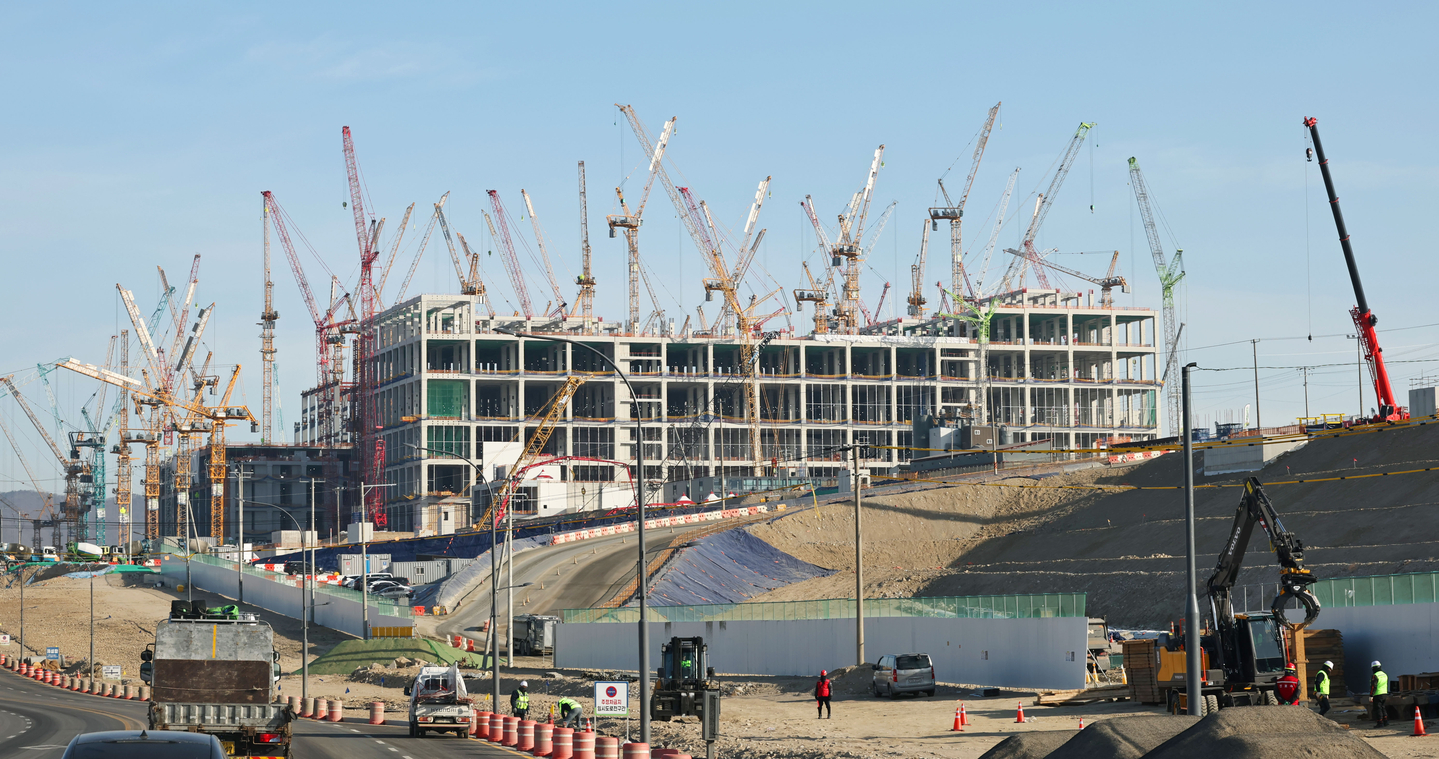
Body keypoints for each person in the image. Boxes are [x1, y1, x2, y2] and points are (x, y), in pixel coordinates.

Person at [1371, 661, 1389, 727]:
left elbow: (1373, 686)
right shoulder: (1384, 674)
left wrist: (1371, 695)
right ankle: (1386, 721)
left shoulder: (1375, 675)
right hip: (1384, 693)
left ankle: (1380, 722)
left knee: (1378, 709)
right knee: (1383, 707)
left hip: (1377, 694)